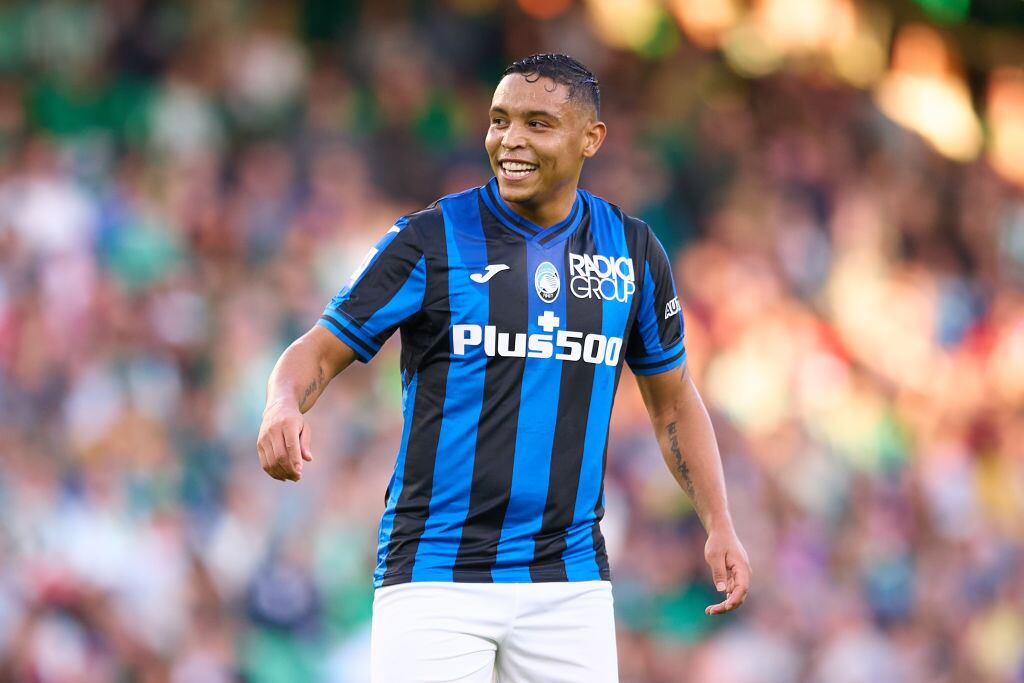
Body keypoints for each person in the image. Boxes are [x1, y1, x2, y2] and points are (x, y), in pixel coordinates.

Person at [257, 53, 751, 682]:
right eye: (499, 121)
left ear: (591, 138)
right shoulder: (431, 238)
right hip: (435, 573)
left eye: (537, 124)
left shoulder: (632, 252)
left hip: (568, 581)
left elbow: (673, 401)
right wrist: (282, 403)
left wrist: (719, 523)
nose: (510, 139)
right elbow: (319, 348)